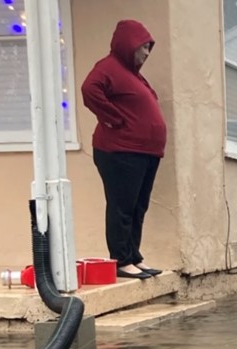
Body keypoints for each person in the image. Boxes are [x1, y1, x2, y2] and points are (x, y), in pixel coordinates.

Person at [81, 19, 167, 280]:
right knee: (123, 206)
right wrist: (114, 119)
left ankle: (134, 256)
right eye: (143, 47)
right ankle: (120, 260)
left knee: (138, 207)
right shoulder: (108, 67)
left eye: (149, 48)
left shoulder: (133, 75)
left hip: (144, 152)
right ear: (129, 44)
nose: (146, 53)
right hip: (120, 151)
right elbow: (89, 90)